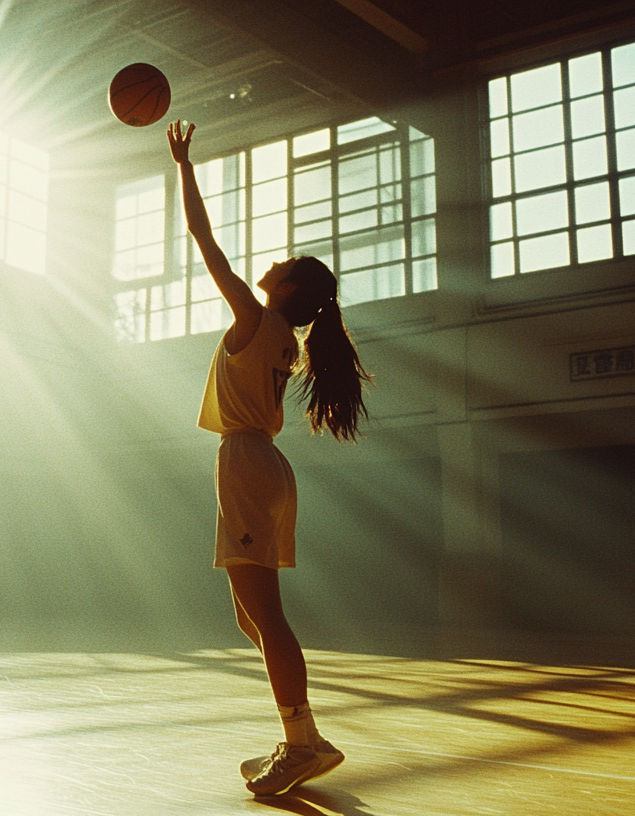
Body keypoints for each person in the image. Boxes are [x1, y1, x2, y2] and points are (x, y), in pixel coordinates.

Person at [166, 119, 373, 797]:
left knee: (268, 612)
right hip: (263, 465)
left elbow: (203, 241)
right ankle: (299, 730)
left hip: (250, 463)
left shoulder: (258, 318)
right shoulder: (282, 333)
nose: (275, 261)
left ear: (285, 289)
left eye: (285, 264)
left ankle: (303, 738)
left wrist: (184, 164)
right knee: (248, 614)